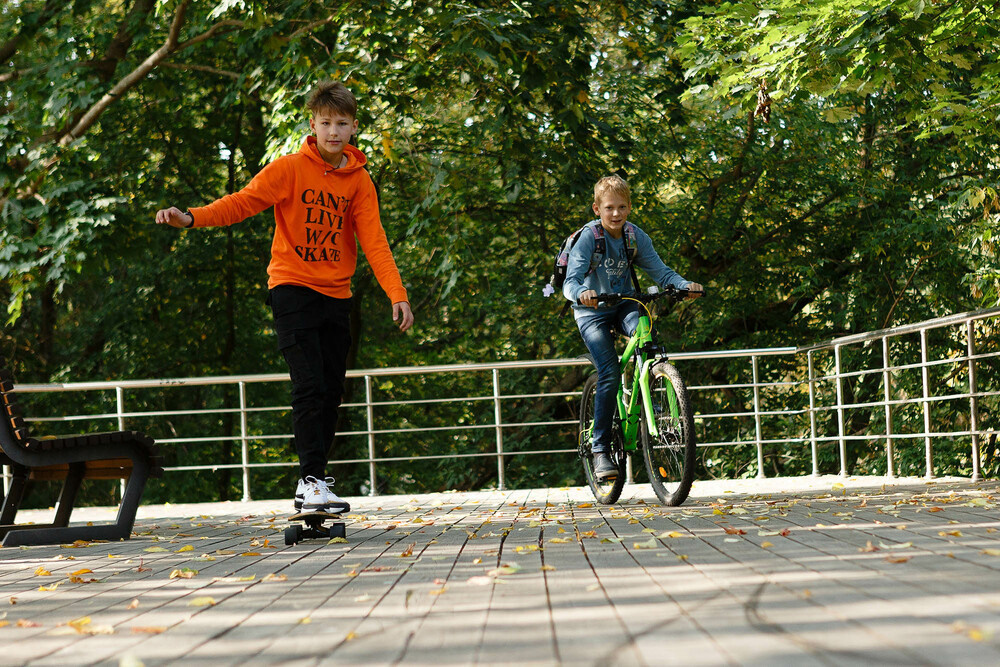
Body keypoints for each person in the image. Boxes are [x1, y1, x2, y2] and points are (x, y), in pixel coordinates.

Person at [155, 81, 414, 513]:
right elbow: (242, 202)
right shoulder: (290, 168)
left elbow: (375, 240)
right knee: (309, 384)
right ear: (313, 124)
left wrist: (397, 293)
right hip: (291, 288)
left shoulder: (359, 182)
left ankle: (312, 481)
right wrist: (191, 218)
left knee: (332, 391)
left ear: (353, 128)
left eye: (342, 124)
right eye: (326, 123)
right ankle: (312, 479)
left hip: (336, 295)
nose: (334, 131)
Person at [563, 175, 703, 481]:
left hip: (625, 303)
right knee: (610, 371)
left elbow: (661, 271)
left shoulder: (634, 237)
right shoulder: (589, 237)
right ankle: (600, 448)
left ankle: (652, 388)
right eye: (609, 207)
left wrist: (682, 285)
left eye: (622, 206)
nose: (616, 213)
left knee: (647, 341)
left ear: (630, 207)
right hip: (591, 312)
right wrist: (580, 294)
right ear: (597, 208)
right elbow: (570, 281)